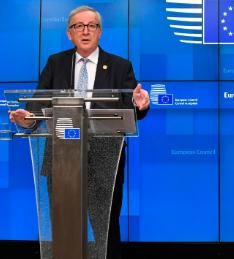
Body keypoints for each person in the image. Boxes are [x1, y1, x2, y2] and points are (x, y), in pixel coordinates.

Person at [9, 5, 150, 259]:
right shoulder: (56, 63)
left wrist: (141, 105)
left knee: (105, 228)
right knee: (64, 228)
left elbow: (130, 110)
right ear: (69, 34)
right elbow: (37, 106)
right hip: (61, 160)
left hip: (105, 161)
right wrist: (27, 120)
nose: (85, 31)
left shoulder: (120, 66)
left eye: (91, 26)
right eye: (78, 26)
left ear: (100, 32)